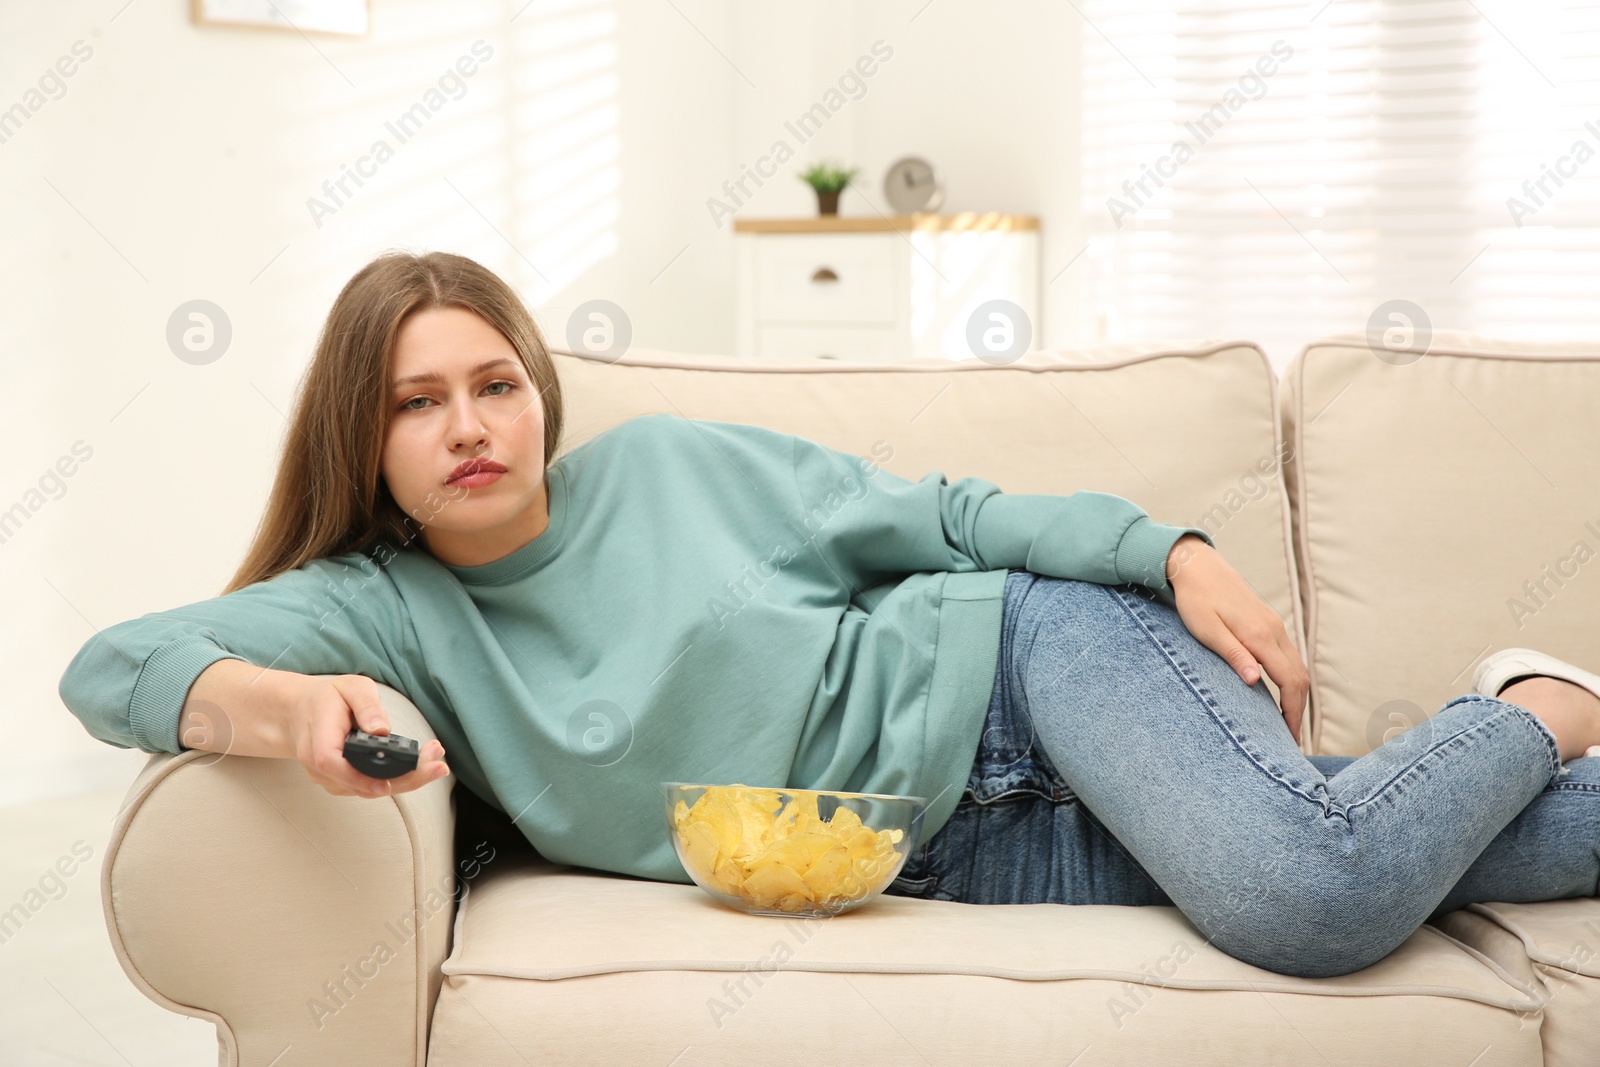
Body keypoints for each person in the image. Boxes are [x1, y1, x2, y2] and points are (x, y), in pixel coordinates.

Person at [58, 251, 1600, 981]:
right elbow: (112, 663)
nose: (470, 425)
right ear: (364, 438)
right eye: (416, 402)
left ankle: (1535, 703)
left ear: (537, 395)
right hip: (952, 853)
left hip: (1025, 671)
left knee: (1309, 899)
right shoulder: (378, 615)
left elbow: (942, 517)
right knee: (1401, 836)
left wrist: (1166, 549)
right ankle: (1540, 743)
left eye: (495, 382)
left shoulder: (666, 470)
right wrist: (289, 711)